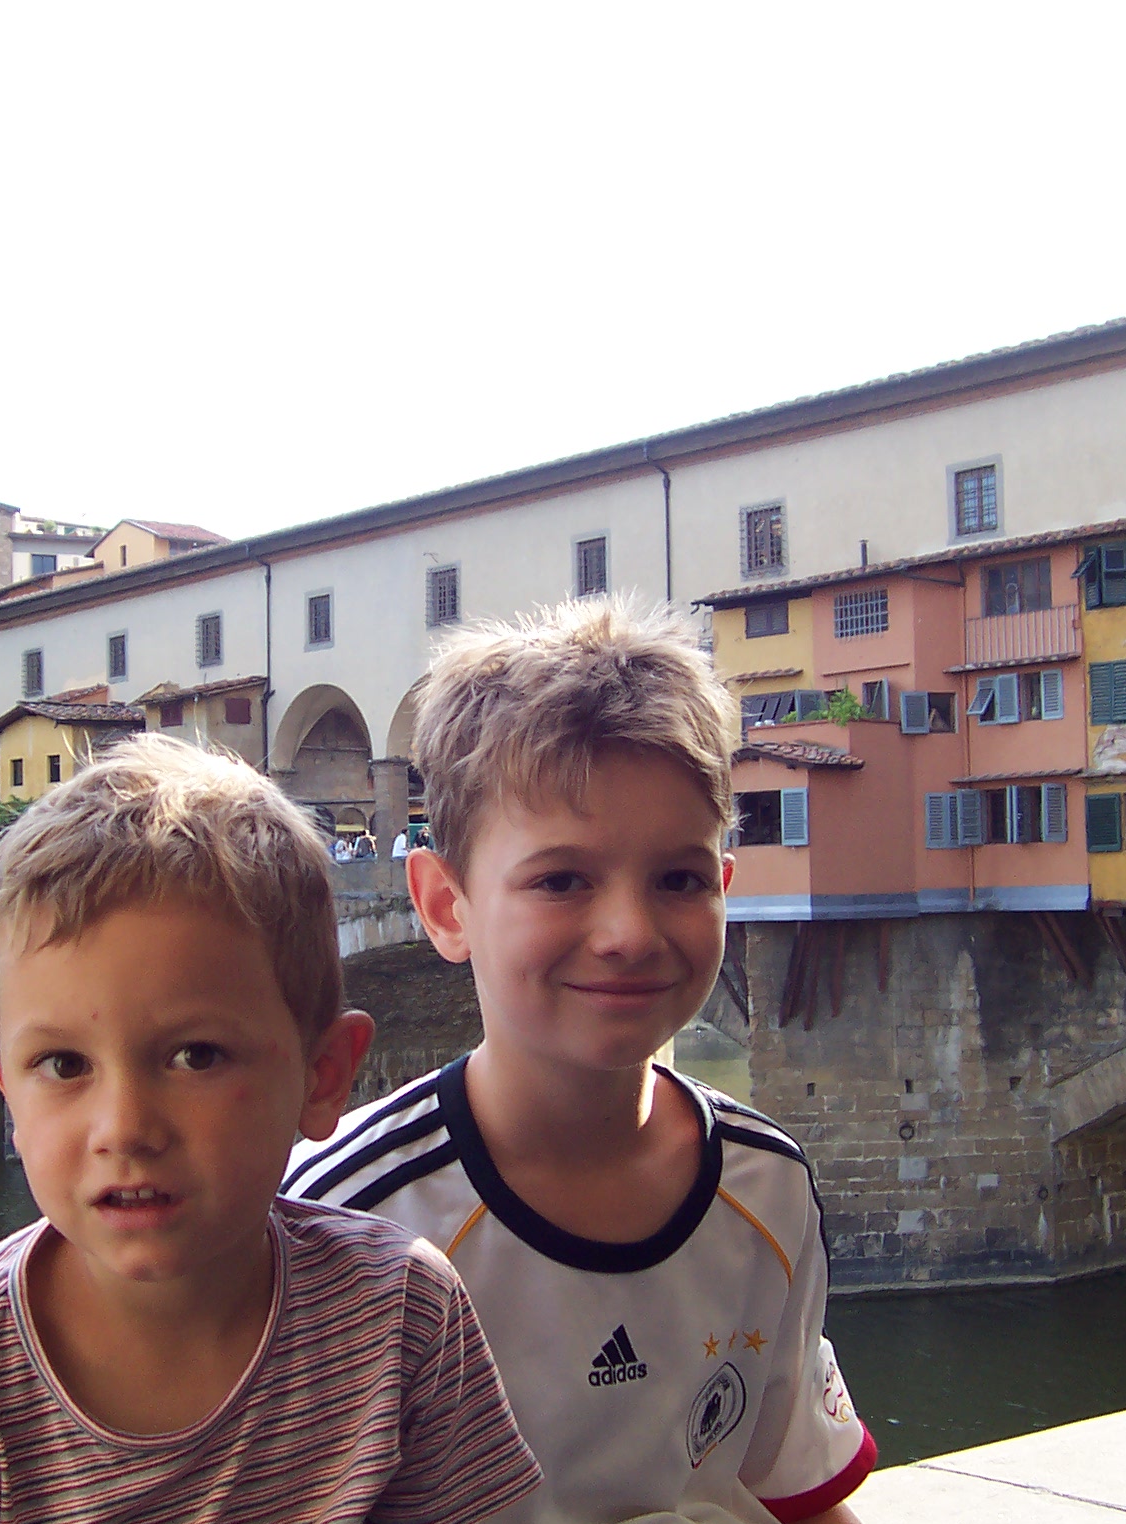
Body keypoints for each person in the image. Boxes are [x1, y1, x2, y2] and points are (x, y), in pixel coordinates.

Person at [0, 735, 540, 1524]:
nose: (124, 1128)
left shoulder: (399, 1315)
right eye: (62, 1065)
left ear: (321, 1077)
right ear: (6, 1091)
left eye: (195, 1056)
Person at [286, 598, 873, 1524]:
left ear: (724, 887)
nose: (628, 934)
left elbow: (793, 1489)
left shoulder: (768, 1187)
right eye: (562, 879)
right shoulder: (339, 1224)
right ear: (446, 905)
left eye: (677, 880)